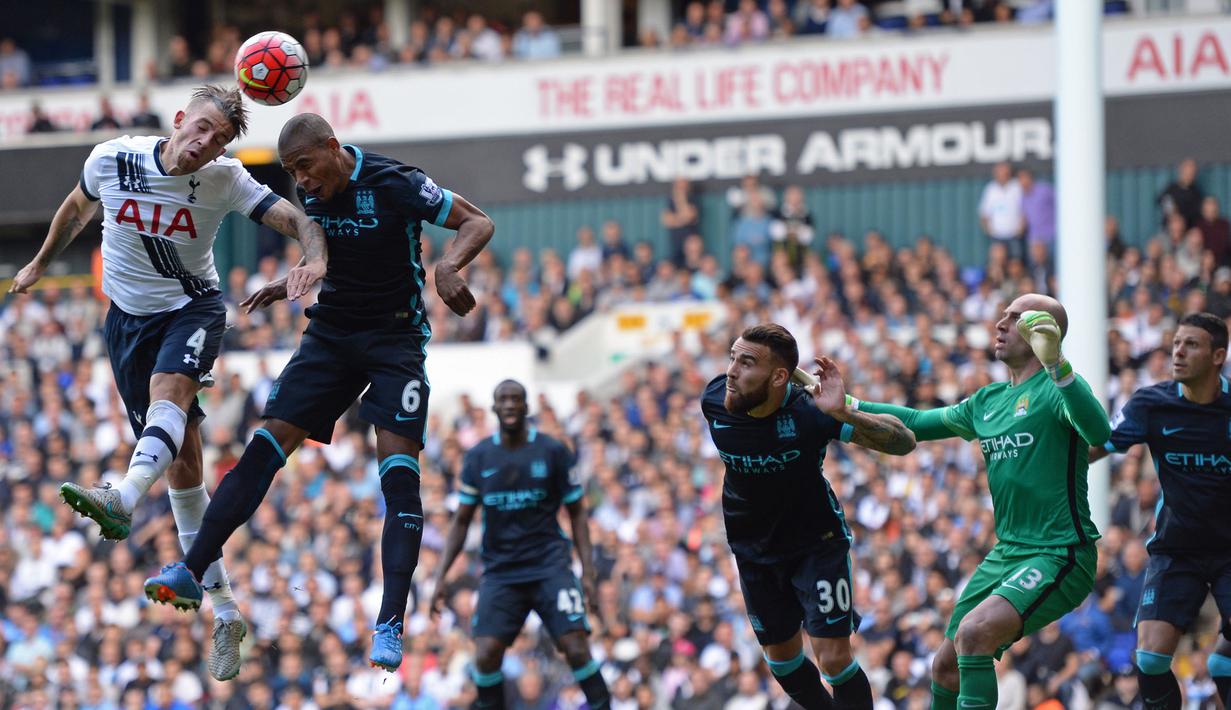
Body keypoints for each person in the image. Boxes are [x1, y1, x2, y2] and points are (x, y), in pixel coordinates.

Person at [141, 112, 495, 674]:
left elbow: (478, 222)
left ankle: (390, 621)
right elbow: (328, 254)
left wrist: (448, 265)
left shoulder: (395, 181)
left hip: (395, 339)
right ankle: (190, 566)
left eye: (304, 167)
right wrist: (295, 278)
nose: (301, 182)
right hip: (330, 335)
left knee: (399, 475)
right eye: (290, 172)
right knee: (264, 446)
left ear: (333, 148)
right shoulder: (314, 191)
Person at [8, 85, 328, 681]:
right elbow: (77, 208)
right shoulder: (113, 158)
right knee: (184, 471)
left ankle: (122, 498)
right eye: (201, 128)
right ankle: (227, 614)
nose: (205, 144)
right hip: (125, 321)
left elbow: (293, 217)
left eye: (220, 140)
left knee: (169, 395)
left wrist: (313, 256)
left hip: (193, 308)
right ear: (179, 120)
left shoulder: (226, 180)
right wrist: (41, 263)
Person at [851, 294, 1112, 710]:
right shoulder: (987, 402)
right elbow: (917, 423)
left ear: (1044, 331)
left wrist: (1059, 366)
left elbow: (1100, 433)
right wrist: (848, 406)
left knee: (974, 633)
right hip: (1007, 553)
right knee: (944, 666)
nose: (1000, 324)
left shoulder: (1058, 389)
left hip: (1060, 553)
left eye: (1015, 318)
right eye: (1002, 315)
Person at [702, 323, 917, 709]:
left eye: (746, 363)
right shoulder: (716, 399)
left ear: (780, 376)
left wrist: (845, 412)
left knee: (833, 658)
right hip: (753, 549)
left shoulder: (812, 413)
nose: (732, 371)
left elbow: (904, 441)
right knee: (781, 662)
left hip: (816, 545)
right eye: (733, 358)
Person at [429, 380, 610, 709]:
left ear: (527, 407)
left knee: (576, 648)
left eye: (516, 399)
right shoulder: (479, 457)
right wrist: (440, 576)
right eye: (503, 400)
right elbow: (461, 520)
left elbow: (578, 514)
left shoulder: (553, 452)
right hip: (501, 572)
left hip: (549, 567)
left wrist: (587, 573)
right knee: (484, 655)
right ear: (495, 408)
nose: (510, 405)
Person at [1091, 312, 1231, 710]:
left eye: (1192, 345)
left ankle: (1222, 662)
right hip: (1176, 549)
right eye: (1176, 343)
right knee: (1149, 658)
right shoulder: (1151, 404)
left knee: (1224, 666)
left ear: (1218, 355)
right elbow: (1093, 448)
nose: (1179, 352)